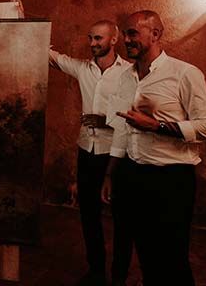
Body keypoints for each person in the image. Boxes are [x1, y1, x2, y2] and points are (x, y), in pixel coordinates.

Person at [101, 10, 206, 286]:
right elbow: (123, 128)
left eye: (132, 33)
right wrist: (110, 174)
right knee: (146, 254)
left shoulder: (184, 73)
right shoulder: (126, 77)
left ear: (155, 34)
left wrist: (157, 126)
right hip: (133, 175)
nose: (126, 40)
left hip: (171, 179)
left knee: (173, 258)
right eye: (125, 34)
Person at [49, 21, 133, 286]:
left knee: (122, 218)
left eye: (98, 38)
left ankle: (119, 277)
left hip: (117, 153)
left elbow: (137, 115)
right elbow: (51, 56)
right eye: (91, 38)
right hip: (87, 150)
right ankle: (96, 271)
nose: (93, 43)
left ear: (113, 40)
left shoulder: (130, 72)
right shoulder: (83, 68)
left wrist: (105, 121)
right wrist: (19, 17)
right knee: (88, 215)